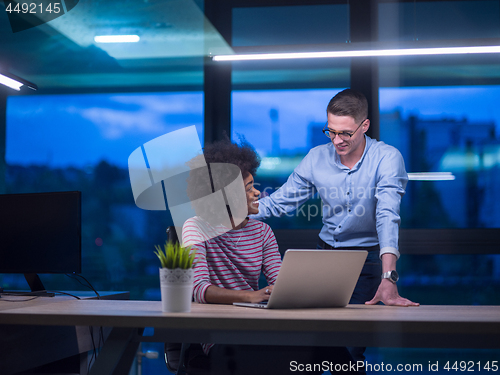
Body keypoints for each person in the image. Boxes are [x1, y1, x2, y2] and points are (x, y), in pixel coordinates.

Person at [250, 88, 419, 367]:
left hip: (364, 262)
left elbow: (388, 215)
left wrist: (388, 276)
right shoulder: (317, 158)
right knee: (313, 347)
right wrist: (229, 215)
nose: (337, 140)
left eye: (345, 133)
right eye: (331, 132)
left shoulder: (387, 158)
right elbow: (279, 203)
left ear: (364, 126)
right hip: (325, 258)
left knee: (349, 352)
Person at [180, 138, 355, 375]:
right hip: (221, 333)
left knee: (333, 350)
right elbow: (199, 290)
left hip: (260, 326)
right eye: (248, 188)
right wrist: (252, 296)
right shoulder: (195, 227)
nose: (257, 193)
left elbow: (279, 281)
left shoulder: (262, 231)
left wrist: (297, 289)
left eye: (255, 185)